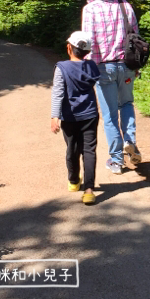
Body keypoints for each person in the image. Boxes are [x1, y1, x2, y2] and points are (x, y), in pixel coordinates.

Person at [81, 0, 142, 174]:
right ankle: (130, 141)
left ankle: (116, 160)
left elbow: (89, 43)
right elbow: (135, 37)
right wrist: (136, 66)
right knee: (126, 103)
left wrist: (89, 70)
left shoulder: (90, 10)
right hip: (126, 66)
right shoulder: (125, 6)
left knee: (109, 115)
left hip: (103, 67)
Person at [51, 31, 100, 205]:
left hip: (69, 117)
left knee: (72, 148)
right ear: (86, 52)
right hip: (90, 114)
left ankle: (73, 181)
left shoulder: (62, 67)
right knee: (89, 150)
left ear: (69, 48)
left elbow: (58, 93)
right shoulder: (92, 66)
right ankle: (88, 190)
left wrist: (55, 116)